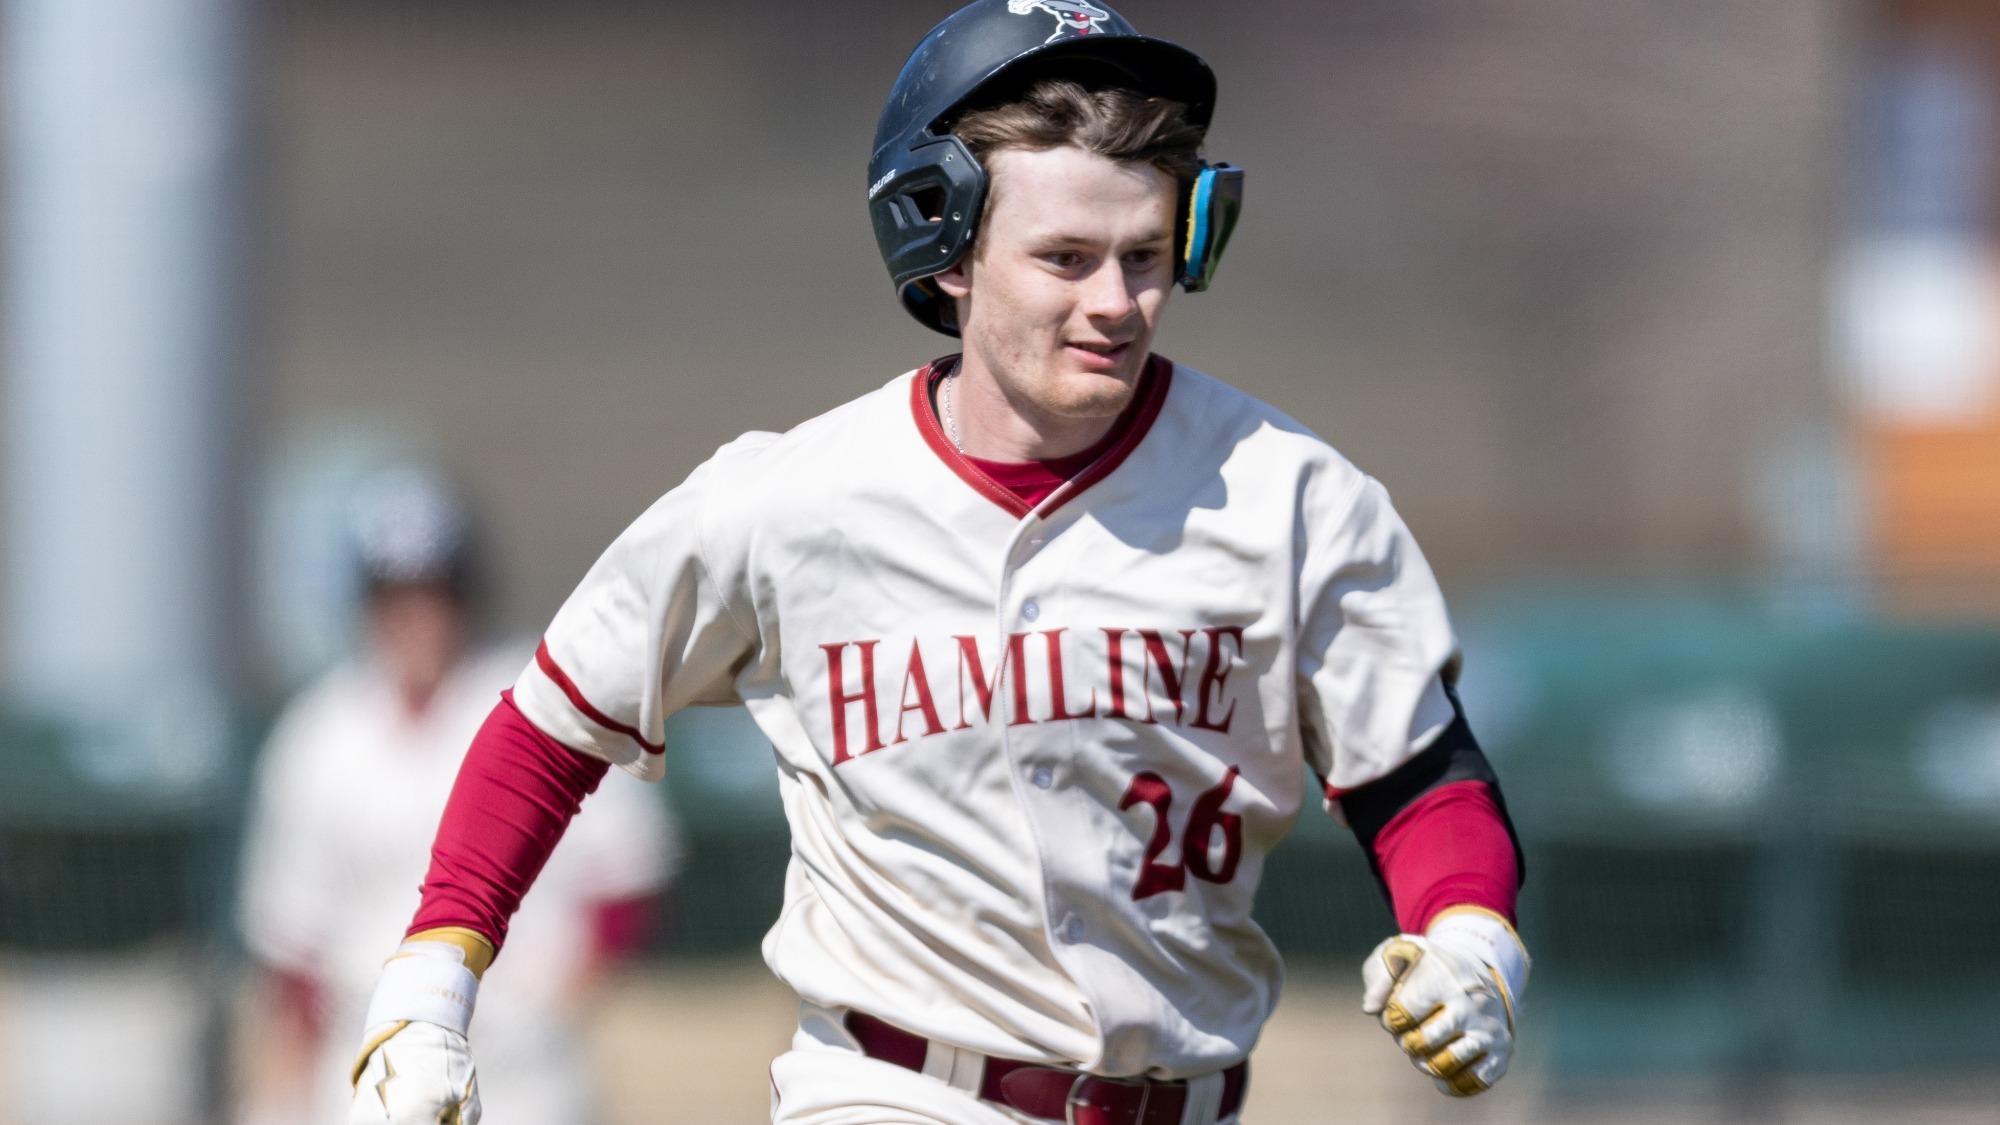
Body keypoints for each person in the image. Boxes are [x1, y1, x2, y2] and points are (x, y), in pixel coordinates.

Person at [345, 4, 1529, 1123]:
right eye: (1064, 257)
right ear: (945, 245)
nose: (1115, 302)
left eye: (1143, 255)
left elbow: (1419, 777)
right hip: (891, 1089)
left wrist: (1472, 939)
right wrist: (430, 982)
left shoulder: (1290, 497)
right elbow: (551, 728)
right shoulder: (789, 501)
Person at [237, 469, 678, 1125]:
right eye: (396, 595)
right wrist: (282, 1101)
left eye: (435, 593)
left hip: (521, 1073)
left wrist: (559, 995)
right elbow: (293, 953)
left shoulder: (542, 696)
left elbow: (628, 879)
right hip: (367, 1069)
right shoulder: (319, 735)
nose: (417, 617)